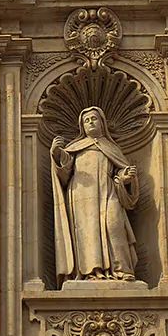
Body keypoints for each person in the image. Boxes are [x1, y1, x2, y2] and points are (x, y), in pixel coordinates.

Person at [50, 106, 139, 284]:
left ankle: (121, 270)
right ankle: (90, 272)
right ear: (82, 126)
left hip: (108, 193)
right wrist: (56, 152)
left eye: (94, 119)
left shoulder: (111, 148)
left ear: (102, 123)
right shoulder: (75, 147)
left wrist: (126, 177)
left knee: (114, 227)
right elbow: (64, 171)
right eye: (87, 120)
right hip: (80, 196)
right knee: (86, 232)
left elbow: (120, 172)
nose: (91, 122)